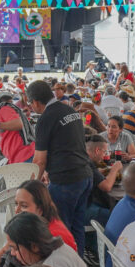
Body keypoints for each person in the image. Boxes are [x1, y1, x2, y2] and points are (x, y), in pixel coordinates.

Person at [28, 80, 92, 254]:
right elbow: (66, 144)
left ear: (35, 102)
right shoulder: (69, 110)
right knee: (77, 227)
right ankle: (78, 266)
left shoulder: (45, 119)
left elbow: (39, 160)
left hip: (66, 180)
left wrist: (30, 185)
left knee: (61, 229)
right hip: (85, 175)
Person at [0, 180, 77, 267]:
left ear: (40, 209)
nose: (17, 210)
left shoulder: (54, 236)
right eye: (16, 204)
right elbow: (7, 248)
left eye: (24, 206)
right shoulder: (29, 225)